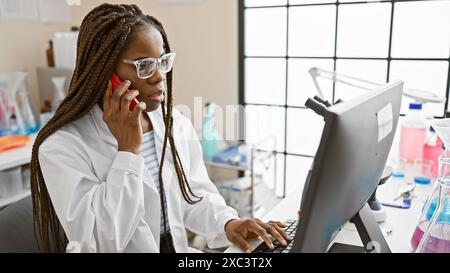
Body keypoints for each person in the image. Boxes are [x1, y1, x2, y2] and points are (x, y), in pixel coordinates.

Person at [30, 3, 290, 253]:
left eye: (162, 61)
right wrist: (128, 151)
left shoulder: (173, 123)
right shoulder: (61, 145)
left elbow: (194, 195)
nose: (159, 76)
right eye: (144, 65)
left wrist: (228, 223)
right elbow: (100, 242)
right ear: (105, 71)